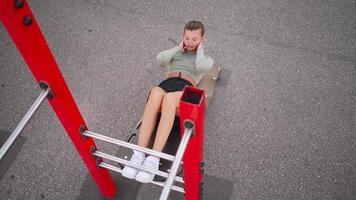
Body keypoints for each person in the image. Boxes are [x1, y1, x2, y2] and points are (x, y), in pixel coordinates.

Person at [122, 21, 214, 183]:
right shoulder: (176, 52)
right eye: (187, 38)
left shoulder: (205, 59)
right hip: (167, 85)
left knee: (169, 98)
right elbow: (160, 58)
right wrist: (178, 48)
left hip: (183, 90)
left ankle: (153, 160)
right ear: (182, 37)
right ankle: (138, 155)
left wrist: (200, 50)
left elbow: (201, 67)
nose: (190, 42)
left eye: (194, 39)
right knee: (156, 92)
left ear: (202, 39)